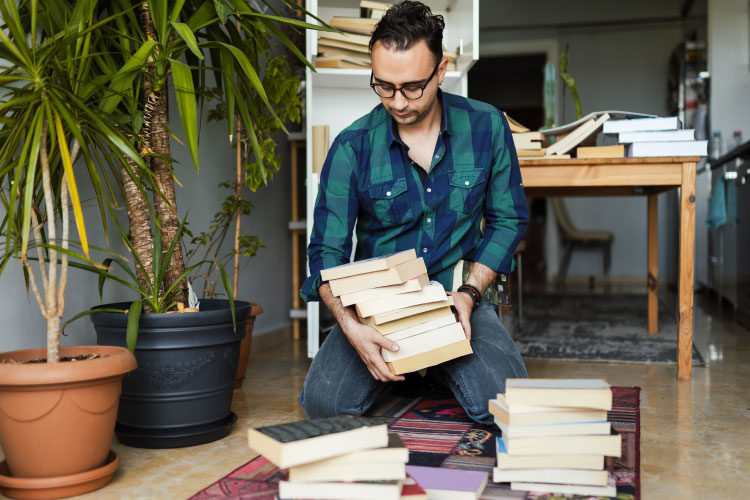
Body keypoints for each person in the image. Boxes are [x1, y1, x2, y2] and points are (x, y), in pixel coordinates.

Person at [298, 0, 528, 425]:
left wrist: (470, 293)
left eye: (412, 87)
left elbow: (508, 220)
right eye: (384, 86)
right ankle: (424, 364)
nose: (398, 102)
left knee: (504, 406)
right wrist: (352, 328)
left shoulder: (487, 127)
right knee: (324, 405)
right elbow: (324, 253)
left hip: (458, 299)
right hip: (376, 310)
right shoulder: (352, 146)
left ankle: (434, 366)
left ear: (441, 71)